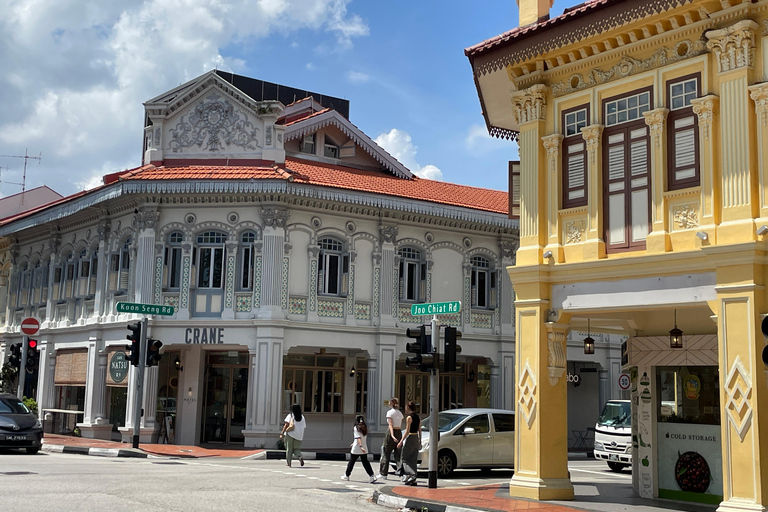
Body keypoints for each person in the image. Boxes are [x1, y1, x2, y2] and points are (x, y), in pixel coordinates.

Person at [341, 415, 378, 484]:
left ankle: (346, 475)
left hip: (357, 448)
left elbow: (358, 438)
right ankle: (372, 476)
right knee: (365, 462)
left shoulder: (356, 427)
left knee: (351, 462)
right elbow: (360, 437)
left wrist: (360, 446)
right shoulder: (365, 427)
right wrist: (355, 443)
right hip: (364, 447)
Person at [377, 397, 403, 480]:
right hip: (399, 432)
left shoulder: (390, 413)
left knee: (386, 453)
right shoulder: (400, 413)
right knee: (398, 454)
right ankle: (401, 473)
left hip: (391, 432)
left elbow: (390, 425)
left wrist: (392, 435)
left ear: (391, 403)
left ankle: (383, 473)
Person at [396, 400, 421, 486]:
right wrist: (419, 441)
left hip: (410, 437)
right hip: (416, 437)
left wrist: (401, 441)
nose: (405, 409)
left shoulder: (409, 418)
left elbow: (407, 430)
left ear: (408, 408)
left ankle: (411, 474)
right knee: (413, 458)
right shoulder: (418, 417)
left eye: (406, 407)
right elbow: (419, 429)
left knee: (405, 457)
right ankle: (413, 477)